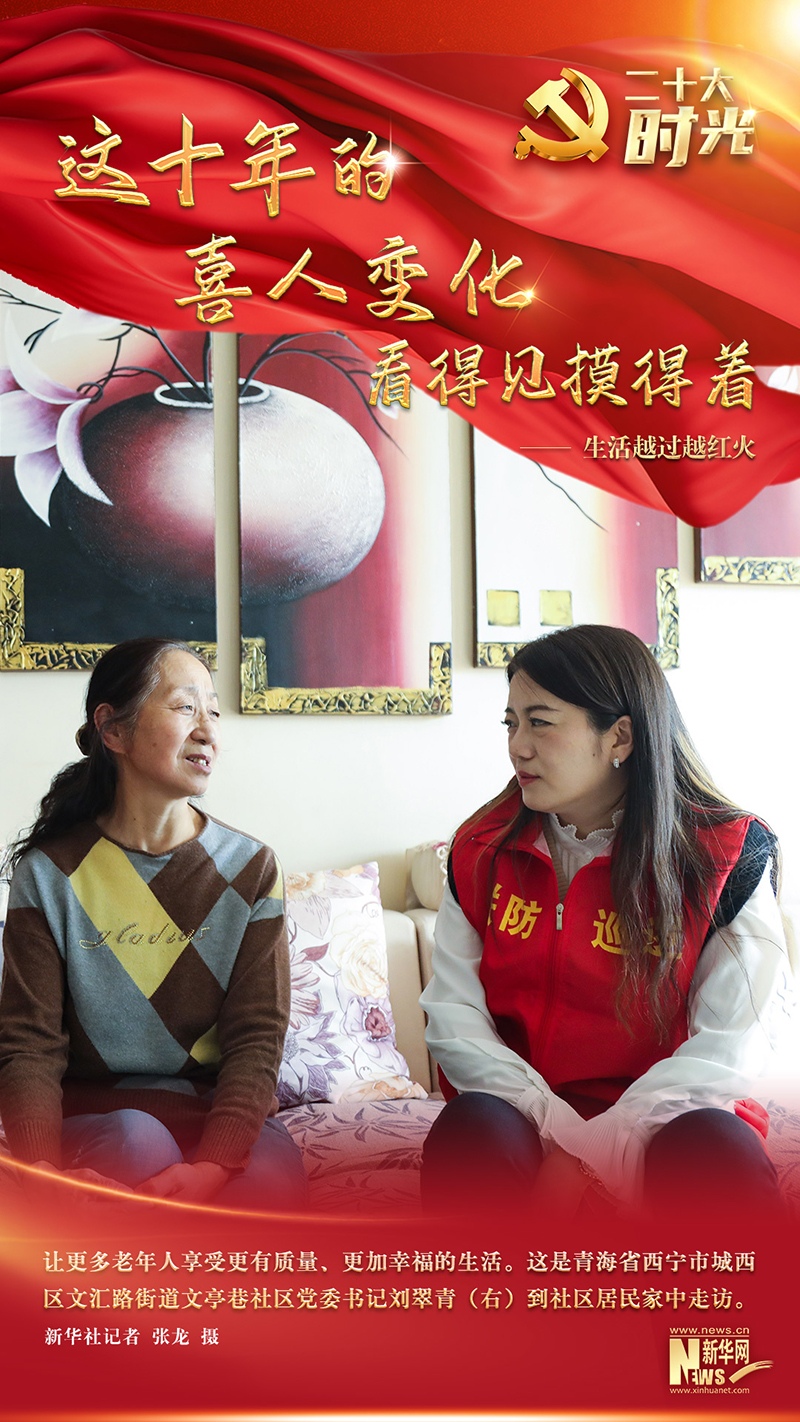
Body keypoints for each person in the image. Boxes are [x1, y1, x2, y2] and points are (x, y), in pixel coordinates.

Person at [420, 625, 793, 1215]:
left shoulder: (724, 856)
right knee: (473, 1128)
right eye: (510, 723)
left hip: (669, 1124)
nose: (518, 747)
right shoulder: (480, 850)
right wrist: (561, 1135)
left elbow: (730, 1046)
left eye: (540, 722)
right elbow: (454, 1019)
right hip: (528, 1121)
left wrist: (599, 1150)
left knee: (715, 1146)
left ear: (619, 736)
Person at [0, 637, 307, 1210]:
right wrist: (38, 1169)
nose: (208, 731)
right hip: (104, 1123)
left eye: (213, 712)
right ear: (113, 730)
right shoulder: (49, 875)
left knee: (270, 1192)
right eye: (186, 707)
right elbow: (30, 1045)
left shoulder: (251, 869)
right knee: (138, 1144)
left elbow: (256, 1038)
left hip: (216, 1118)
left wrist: (215, 1165)